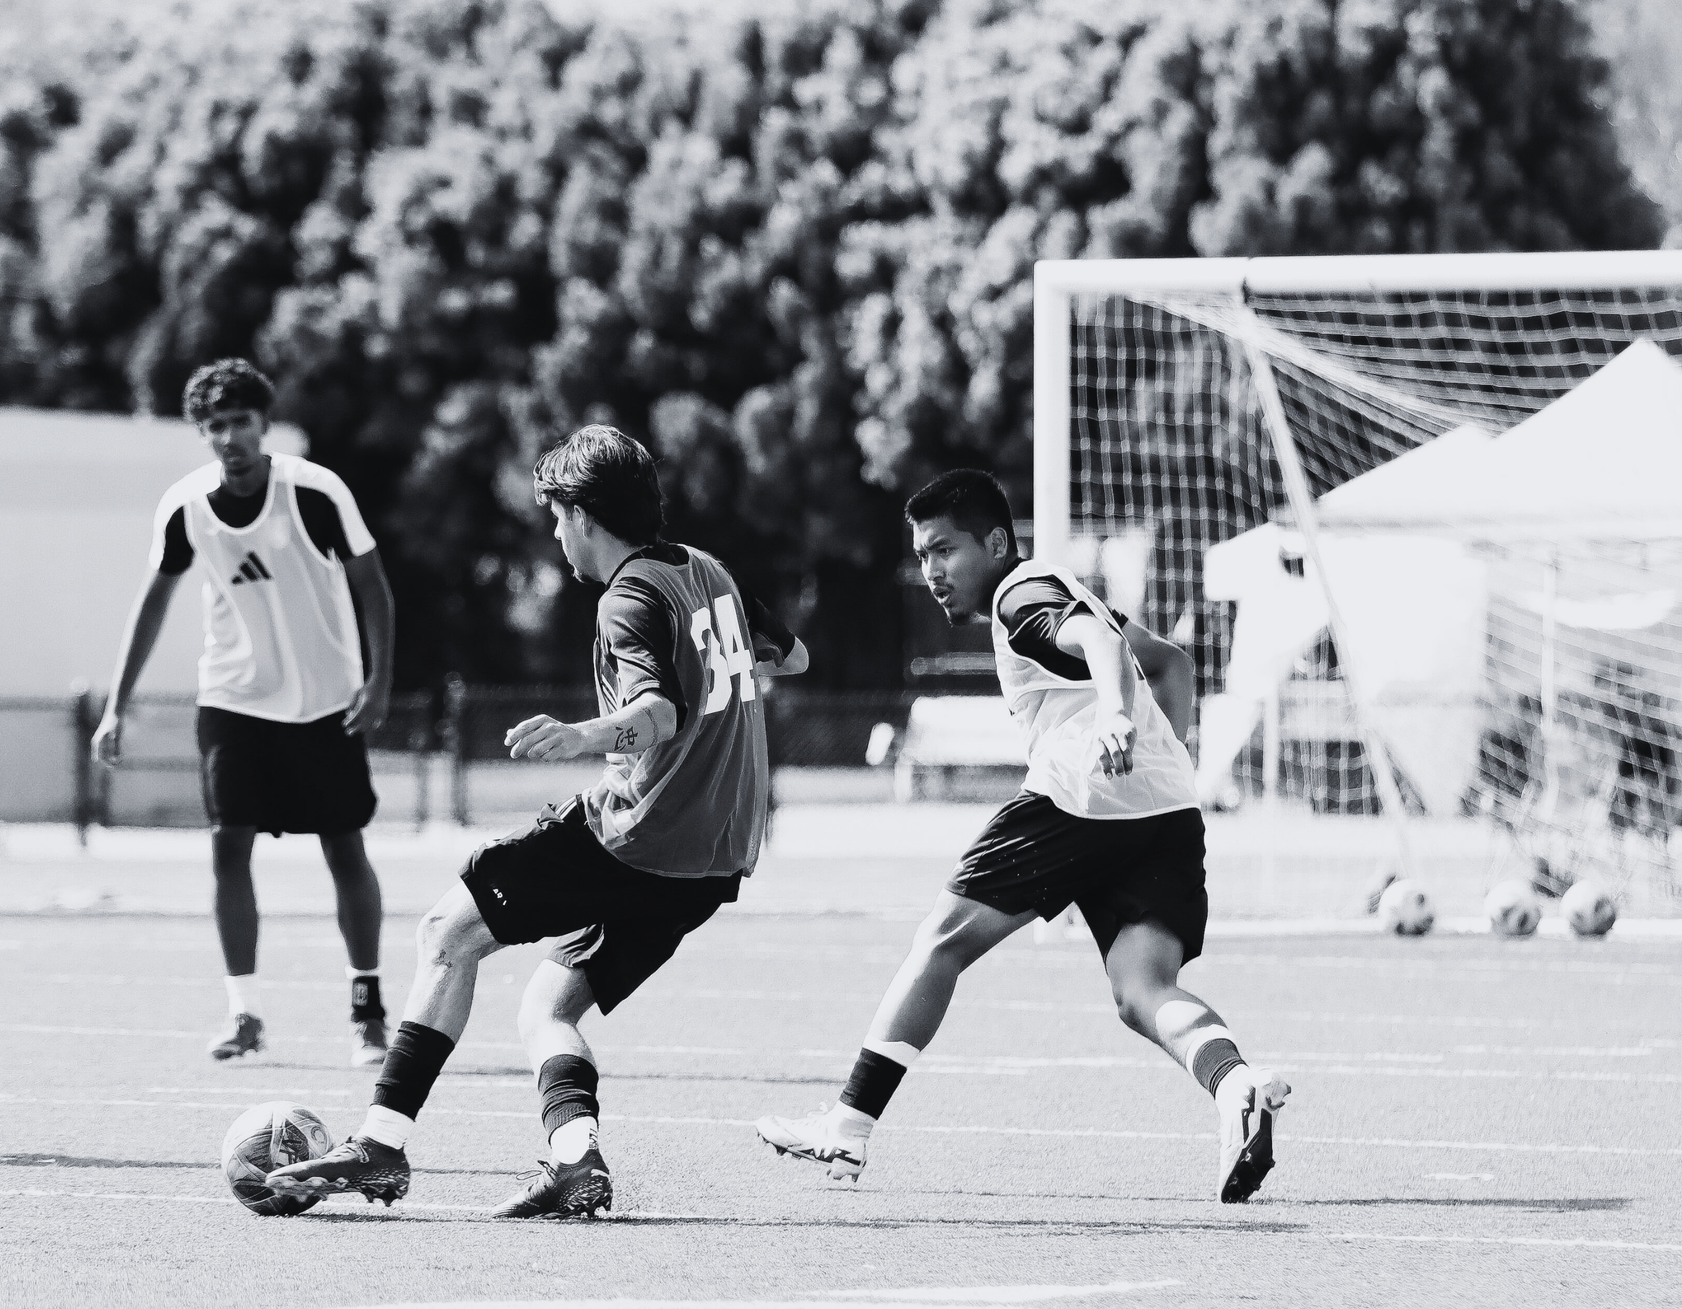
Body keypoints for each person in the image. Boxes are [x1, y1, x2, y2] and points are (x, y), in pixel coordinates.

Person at [266, 426, 807, 1218]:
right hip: (714, 863)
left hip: (639, 837)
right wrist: (724, 665)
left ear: (584, 514)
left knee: (445, 934)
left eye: (556, 517)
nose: (555, 535)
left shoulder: (629, 597)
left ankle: (380, 1142)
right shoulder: (709, 570)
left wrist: (583, 734)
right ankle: (575, 1160)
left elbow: (657, 712)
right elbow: (792, 655)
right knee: (546, 1008)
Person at [754, 469, 1289, 1203]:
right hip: (1166, 813)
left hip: (1078, 797)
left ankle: (848, 1123)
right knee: (1143, 990)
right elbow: (1173, 663)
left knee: (942, 941)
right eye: (923, 555)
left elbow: (1095, 639)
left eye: (946, 550)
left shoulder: (1019, 594)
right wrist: (1158, 762)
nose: (932, 572)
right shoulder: (1059, 587)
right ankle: (1237, 1085)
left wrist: (1114, 716)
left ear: (997, 543)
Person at [92, 359, 398, 1065]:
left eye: (241, 421)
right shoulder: (184, 507)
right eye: (215, 425)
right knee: (229, 844)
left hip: (326, 698)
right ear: (201, 432)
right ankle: (244, 1013)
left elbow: (373, 587)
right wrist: (116, 708)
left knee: (343, 845)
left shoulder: (316, 491)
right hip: (234, 697)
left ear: (265, 423)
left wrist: (379, 682)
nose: (230, 437)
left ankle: (367, 1012)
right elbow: (153, 603)